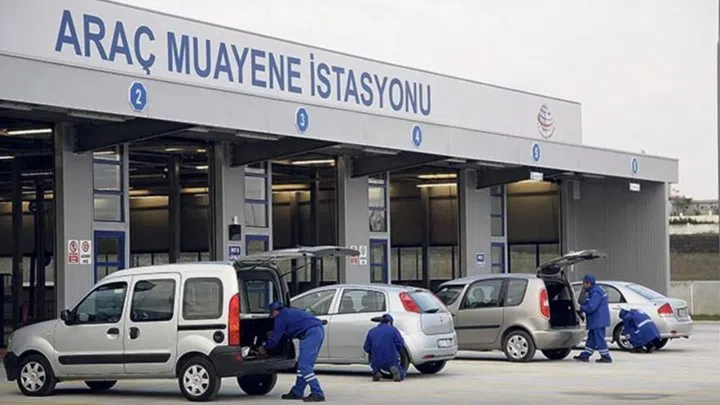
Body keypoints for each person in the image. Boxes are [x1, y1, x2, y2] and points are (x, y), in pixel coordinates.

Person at [259, 301, 326, 402]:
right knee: (304, 366)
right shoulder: (290, 312)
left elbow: (275, 339)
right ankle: (297, 391)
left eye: (271, 313)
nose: (272, 316)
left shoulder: (281, 317)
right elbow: (289, 332)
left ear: (274, 311)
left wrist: (265, 347)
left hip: (310, 333)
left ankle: (317, 393)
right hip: (317, 331)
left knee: (304, 366)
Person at [574, 274, 613, 363]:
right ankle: (585, 355)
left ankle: (606, 357)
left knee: (599, 339)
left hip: (598, 320)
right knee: (591, 339)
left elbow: (591, 307)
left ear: (588, 283)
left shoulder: (596, 292)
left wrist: (580, 308)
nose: (583, 285)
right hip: (596, 320)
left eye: (584, 283)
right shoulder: (594, 290)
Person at [363, 314, 406, 382]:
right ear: (390, 322)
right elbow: (400, 343)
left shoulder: (371, 331)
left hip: (376, 360)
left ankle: (376, 371)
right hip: (391, 359)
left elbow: (366, 348)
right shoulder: (393, 330)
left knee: (373, 358)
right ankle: (394, 368)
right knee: (399, 371)